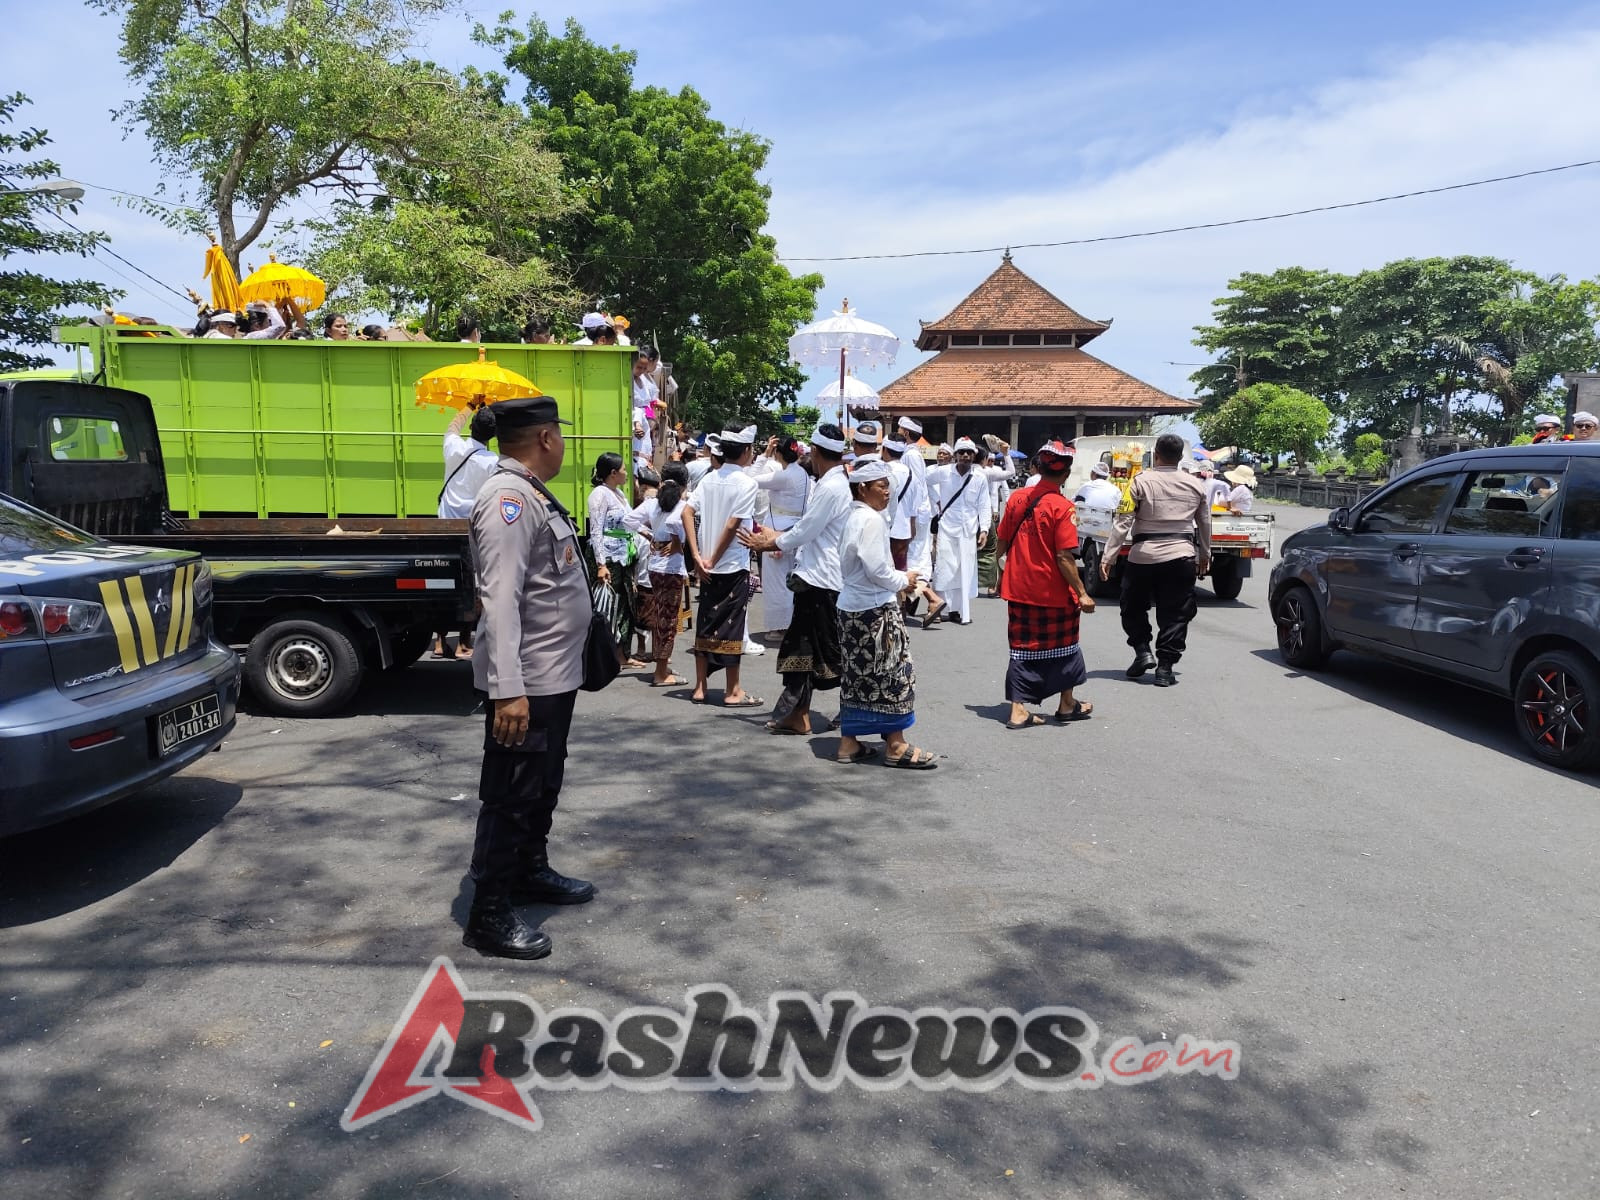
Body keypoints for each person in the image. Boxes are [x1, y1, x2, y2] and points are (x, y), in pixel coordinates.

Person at [465, 395, 594, 960]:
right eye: (559, 435)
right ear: (546, 438)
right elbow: (500, 599)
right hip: (528, 682)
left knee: (541, 785)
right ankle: (489, 913)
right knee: (511, 794)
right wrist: (507, 689)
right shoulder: (509, 499)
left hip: (552, 676)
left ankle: (528, 871)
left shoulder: (531, 493)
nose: (562, 444)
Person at [740, 425, 851, 735]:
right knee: (801, 650)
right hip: (815, 576)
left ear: (815, 452)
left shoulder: (830, 486)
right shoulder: (829, 482)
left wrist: (770, 542)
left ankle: (850, 711)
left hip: (822, 579)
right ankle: (797, 713)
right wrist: (778, 536)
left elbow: (807, 530)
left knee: (829, 651)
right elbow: (807, 527)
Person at [835, 459, 937, 769]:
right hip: (874, 610)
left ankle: (849, 743)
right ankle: (895, 744)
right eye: (881, 486)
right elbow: (876, 568)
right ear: (863, 488)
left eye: (887, 485)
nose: (888, 492)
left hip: (850, 607)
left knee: (856, 677)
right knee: (894, 674)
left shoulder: (853, 516)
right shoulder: (872, 520)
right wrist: (903, 579)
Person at [996, 441, 1096, 729]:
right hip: (1052, 591)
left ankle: (1018, 709)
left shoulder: (1016, 499)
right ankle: (1066, 703)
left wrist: (996, 572)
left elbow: (1002, 539)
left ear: (1038, 468)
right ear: (1065, 474)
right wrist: (1082, 593)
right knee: (1066, 647)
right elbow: (1064, 556)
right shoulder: (1063, 508)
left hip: (1019, 588)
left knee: (1021, 649)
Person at [1099, 433, 1212, 687]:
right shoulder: (1196, 485)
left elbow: (1123, 521)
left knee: (1132, 606)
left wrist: (1109, 556)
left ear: (1156, 455)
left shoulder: (1139, 482)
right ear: (1181, 457)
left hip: (1143, 556)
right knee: (1176, 613)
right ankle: (1165, 668)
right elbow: (1205, 522)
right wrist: (1205, 554)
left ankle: (1142, 651)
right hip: (1181, 555)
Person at [681, 427, 762, 706]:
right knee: (732, 626)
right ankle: (733, 690)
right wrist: (712, 559)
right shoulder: (747, 483)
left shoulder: (709, 480)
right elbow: (732, 524)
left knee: (705, 623)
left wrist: (696, 556)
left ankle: (700, 687)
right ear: (746, 451)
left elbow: (687, 512)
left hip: (705, 564)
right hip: (729, 564)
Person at [624, 462, 691, 687]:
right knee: (668, 620)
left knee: (661, 616)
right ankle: (661, 672)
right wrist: (674, 541)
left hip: (655, 567)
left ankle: (662, 666)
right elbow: (674, 523)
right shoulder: (682, 505)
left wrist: (650, 535)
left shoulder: (652, 503)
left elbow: (629, 520)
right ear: (684, 485)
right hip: (672, 568)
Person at [587, 451, 649, 671]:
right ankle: (605, 656)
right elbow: (595, 531)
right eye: (623, 469)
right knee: (608, 606)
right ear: (613, 473)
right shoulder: (599, 495)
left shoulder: (619, 494)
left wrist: (649, 535)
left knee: (626, 604)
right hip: (609, 558)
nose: (626, 473)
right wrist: (601, 564)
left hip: (625, 557)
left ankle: (623, 654)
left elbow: (630, 522)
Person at [926, 437, 993, 626]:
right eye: (961, 452)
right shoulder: (943, 472)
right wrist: (936, 500)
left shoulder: (979, 477)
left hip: (968, 530)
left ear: (974, 456)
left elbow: (984, 505)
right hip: (947, 528)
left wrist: (984, 529)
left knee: (964, 570)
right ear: (955, 455)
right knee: (943, 568)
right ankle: (937, 607)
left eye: (969, 453)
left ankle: (958, 611)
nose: (965, 455)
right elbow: (925, 480)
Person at [750, 435, 809, 636]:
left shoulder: (784, 476)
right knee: (791, 579)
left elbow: (750, 480)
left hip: (777, 530)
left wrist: (763, 457)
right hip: (794, 528)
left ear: (779, 453)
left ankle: (781, 627)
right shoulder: (801, 473)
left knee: (777, 581)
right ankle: (791, 623)